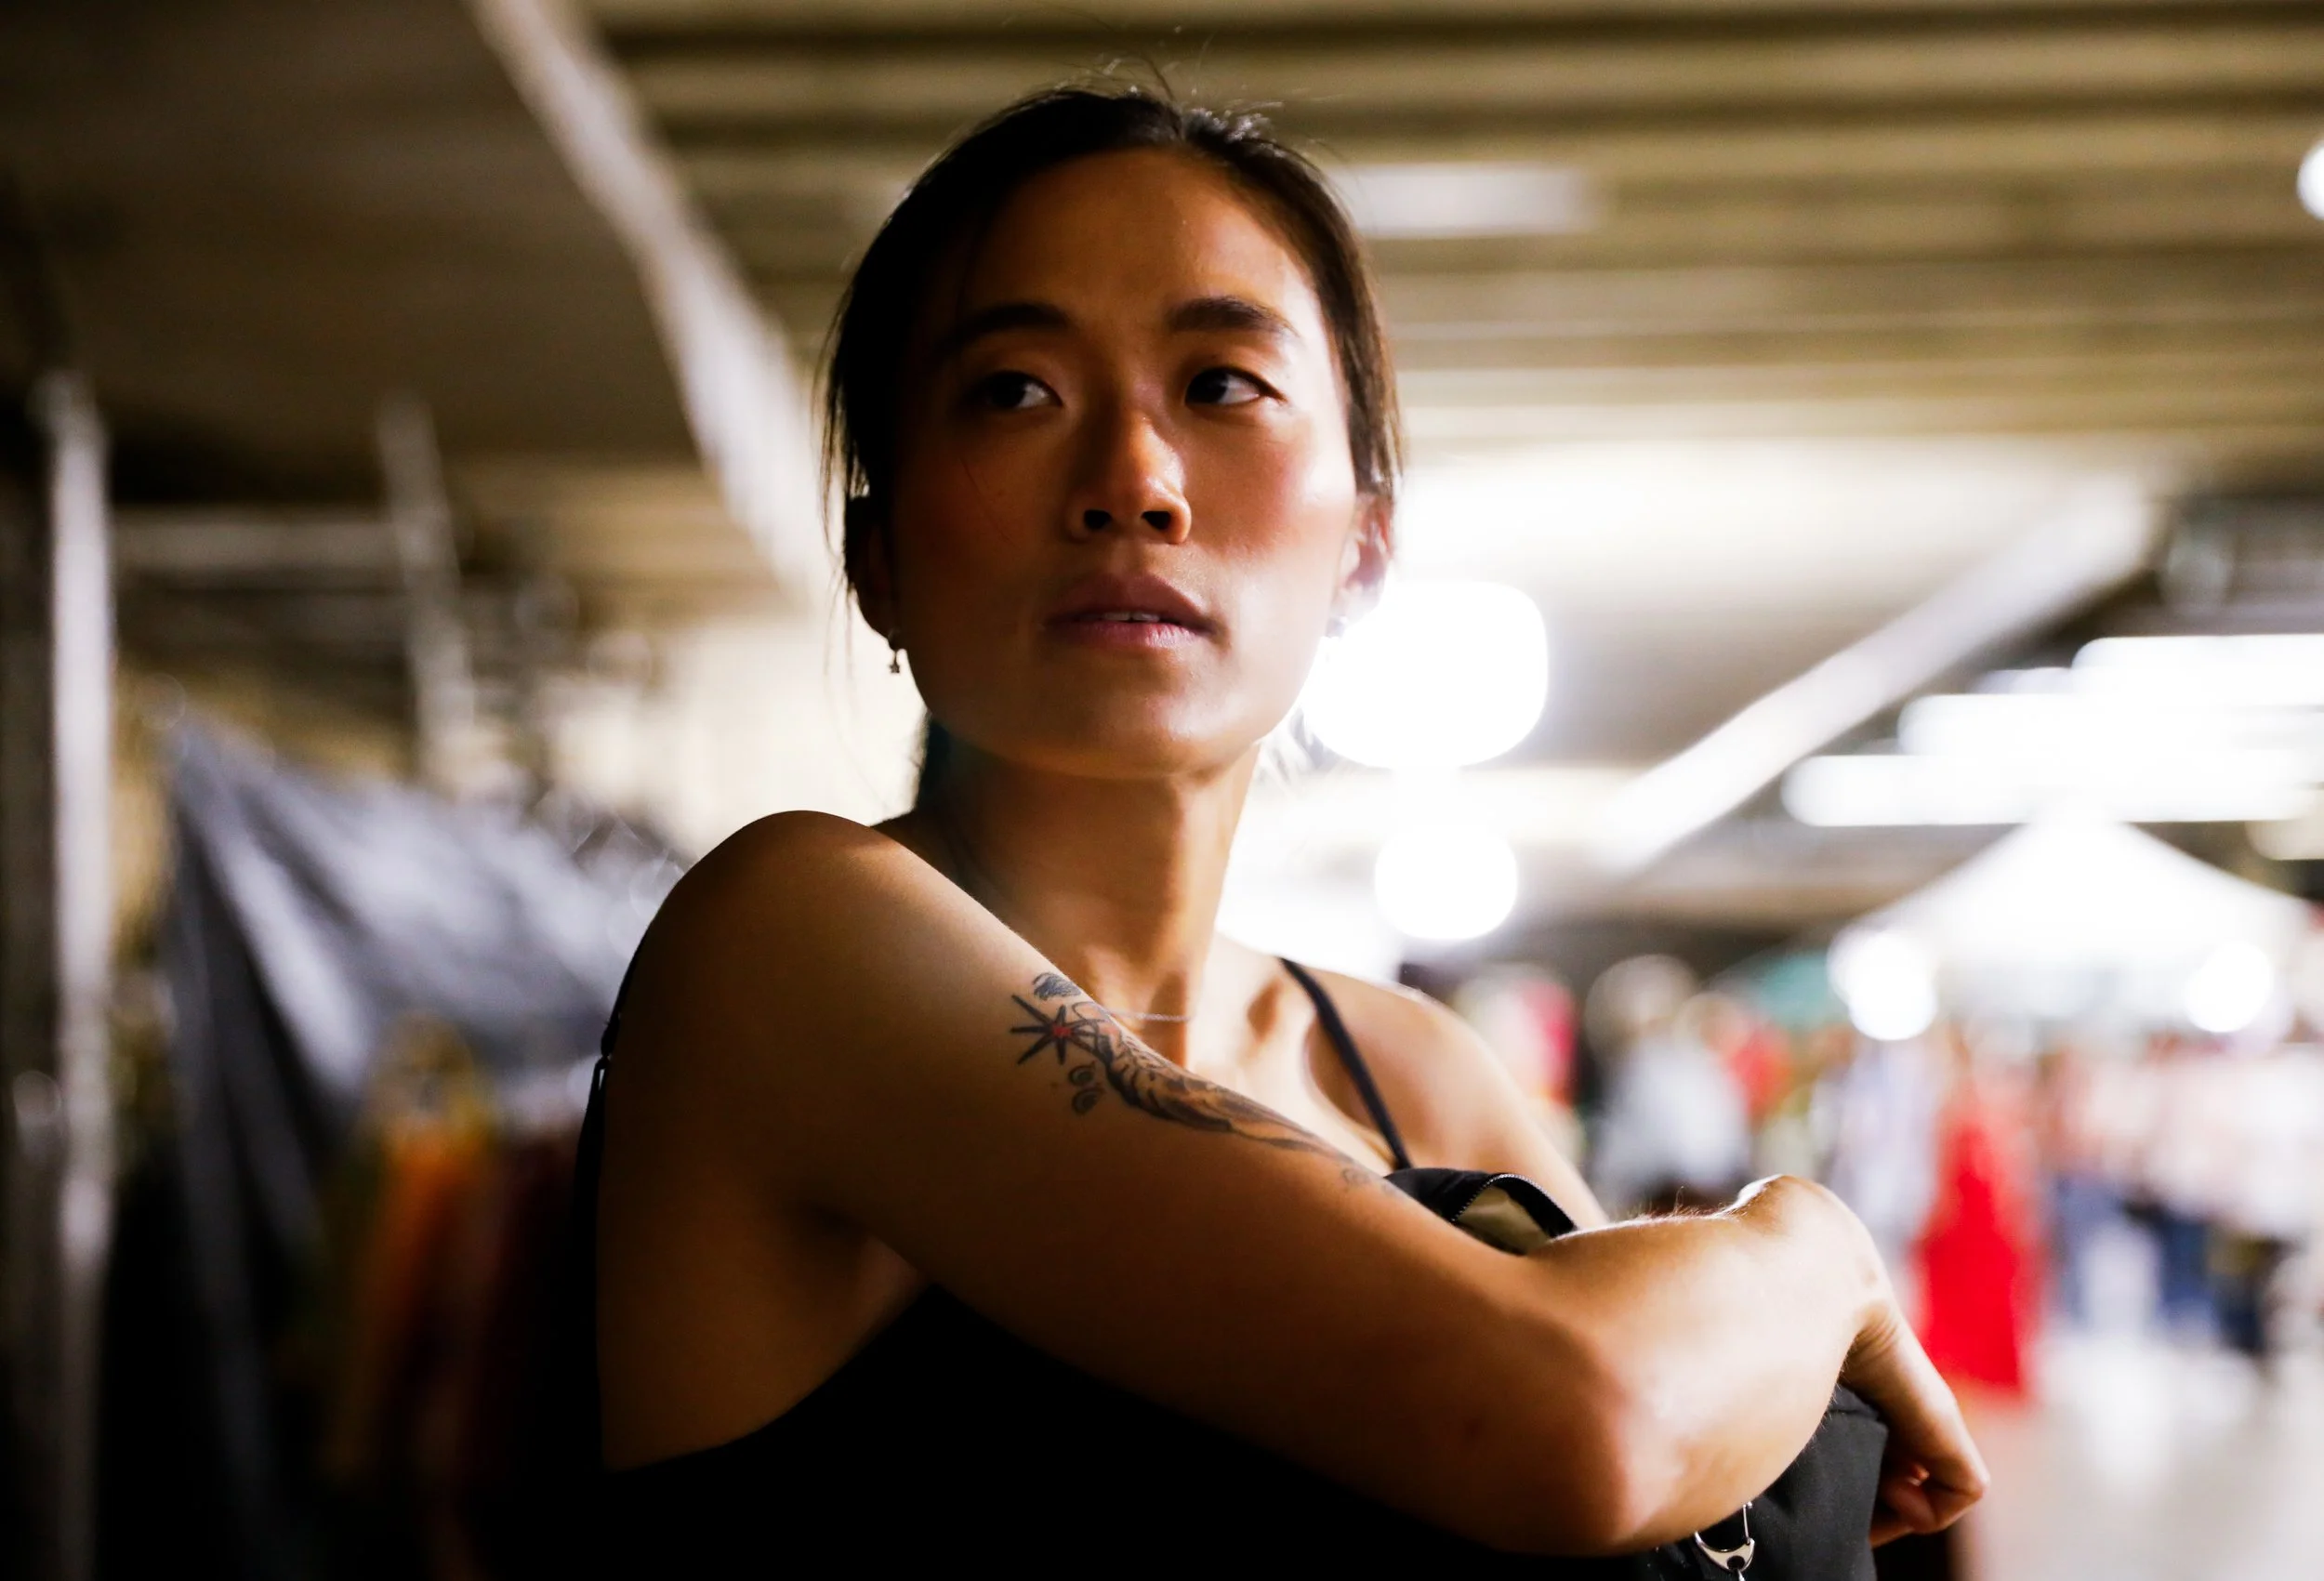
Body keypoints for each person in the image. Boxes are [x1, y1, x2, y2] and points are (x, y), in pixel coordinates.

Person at [578, 86, 1984, 1565]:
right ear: (878, 557)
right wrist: (1811, 1247)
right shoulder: (794, 944)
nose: (1133, 482)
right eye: (1012, 390)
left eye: (1224, 385)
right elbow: (1581, 1422)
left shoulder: (1418, 1083)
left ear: (1363, 545)